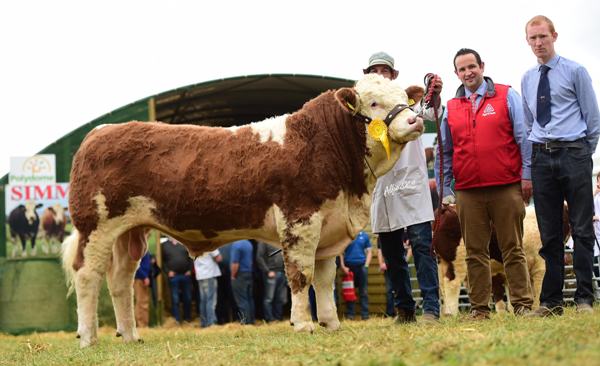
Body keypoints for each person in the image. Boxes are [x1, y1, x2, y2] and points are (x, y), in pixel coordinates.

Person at [436, 48, 534, 319]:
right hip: (468, 190)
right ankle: (480, 309)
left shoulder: (506, 95)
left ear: (482, 66)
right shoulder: (451, 108)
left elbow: (524, 137)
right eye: (462, 69)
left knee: (512, 247)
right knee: (474, 251)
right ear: (456, 73)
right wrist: (446, 191)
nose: (468, 73)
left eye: (472, 67)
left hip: (506, 186)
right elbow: (445, 151)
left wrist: (527, 175)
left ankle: (523, 304)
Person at [521, 15, 600, 316]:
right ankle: (551, 301)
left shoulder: (576, 72)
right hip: (542, 157)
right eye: (533, 38)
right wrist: (533, 163)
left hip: (574, 153)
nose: (538, 43)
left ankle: (584, 299)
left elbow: (593, 119)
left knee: (581, 228)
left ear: (554, 36)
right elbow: (529, 124)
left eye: (543, 36)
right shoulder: (528, 78)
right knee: (549, 232)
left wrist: (581, 153)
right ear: (527, 41)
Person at [366, 51, 441, 323]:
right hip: (382, 189)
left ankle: (431, 308)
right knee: (392, 253)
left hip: (411, 186)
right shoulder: (366, 108)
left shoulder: (407, 102)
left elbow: (431, 113)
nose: (380, 74)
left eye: (385, 70)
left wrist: (435, 96)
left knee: (422, 247)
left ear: (394, 75)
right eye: (375, 70)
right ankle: (405, 309)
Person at [340, 230, 372, 320]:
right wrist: (343, 266)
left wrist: (366, 265)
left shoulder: (364, 236)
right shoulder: (346, 235)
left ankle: (365, 315)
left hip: (361, 266)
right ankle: (350, 315)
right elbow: (341, 253)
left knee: (364, 292)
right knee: (349, 292)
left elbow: (369, 251)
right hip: (348, 268)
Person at [161, 237, 194, 324]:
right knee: (175, 299)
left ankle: (187, 318)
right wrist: (168, 272)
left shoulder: (184, 243)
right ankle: (177, 319)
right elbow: (162, 261)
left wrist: (190, 270)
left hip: (185, 275)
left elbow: (191, 258)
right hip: (174, 276)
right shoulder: (164, 245)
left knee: (188, 297)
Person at [255, 242, 288, 322]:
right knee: (269, 298)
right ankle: (270, 319)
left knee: (280, 298)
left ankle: (278, 318)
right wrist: (267, 271)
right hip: (271, 273)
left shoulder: (278, 239)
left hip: (282, 272)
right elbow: (259, 257)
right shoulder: (264, 241)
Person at [193, 249, 222, 328]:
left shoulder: (194, 244)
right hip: (209, 274)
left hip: (200, 275)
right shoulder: (210, 244)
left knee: (203, 300)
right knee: (211, 299)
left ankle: (204, 322)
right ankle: (211, 322)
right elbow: (218, 258)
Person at [230, 239, 255, 324]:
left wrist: (233, 275)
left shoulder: (236, 245)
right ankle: (251, 320)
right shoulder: (248, 243)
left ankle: (246, 322)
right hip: (248, 272)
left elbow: (235, 263)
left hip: (239, 274)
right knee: (249, 298)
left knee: (241, 300)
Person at [133, 251, 152, 327]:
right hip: (140, 279)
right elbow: (136, 264)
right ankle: (142, 325)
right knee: (142, 302)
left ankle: (142, 324)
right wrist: (144, 276)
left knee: (141, 302)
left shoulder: (144, 249)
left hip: (141, 278)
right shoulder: (139, 248)